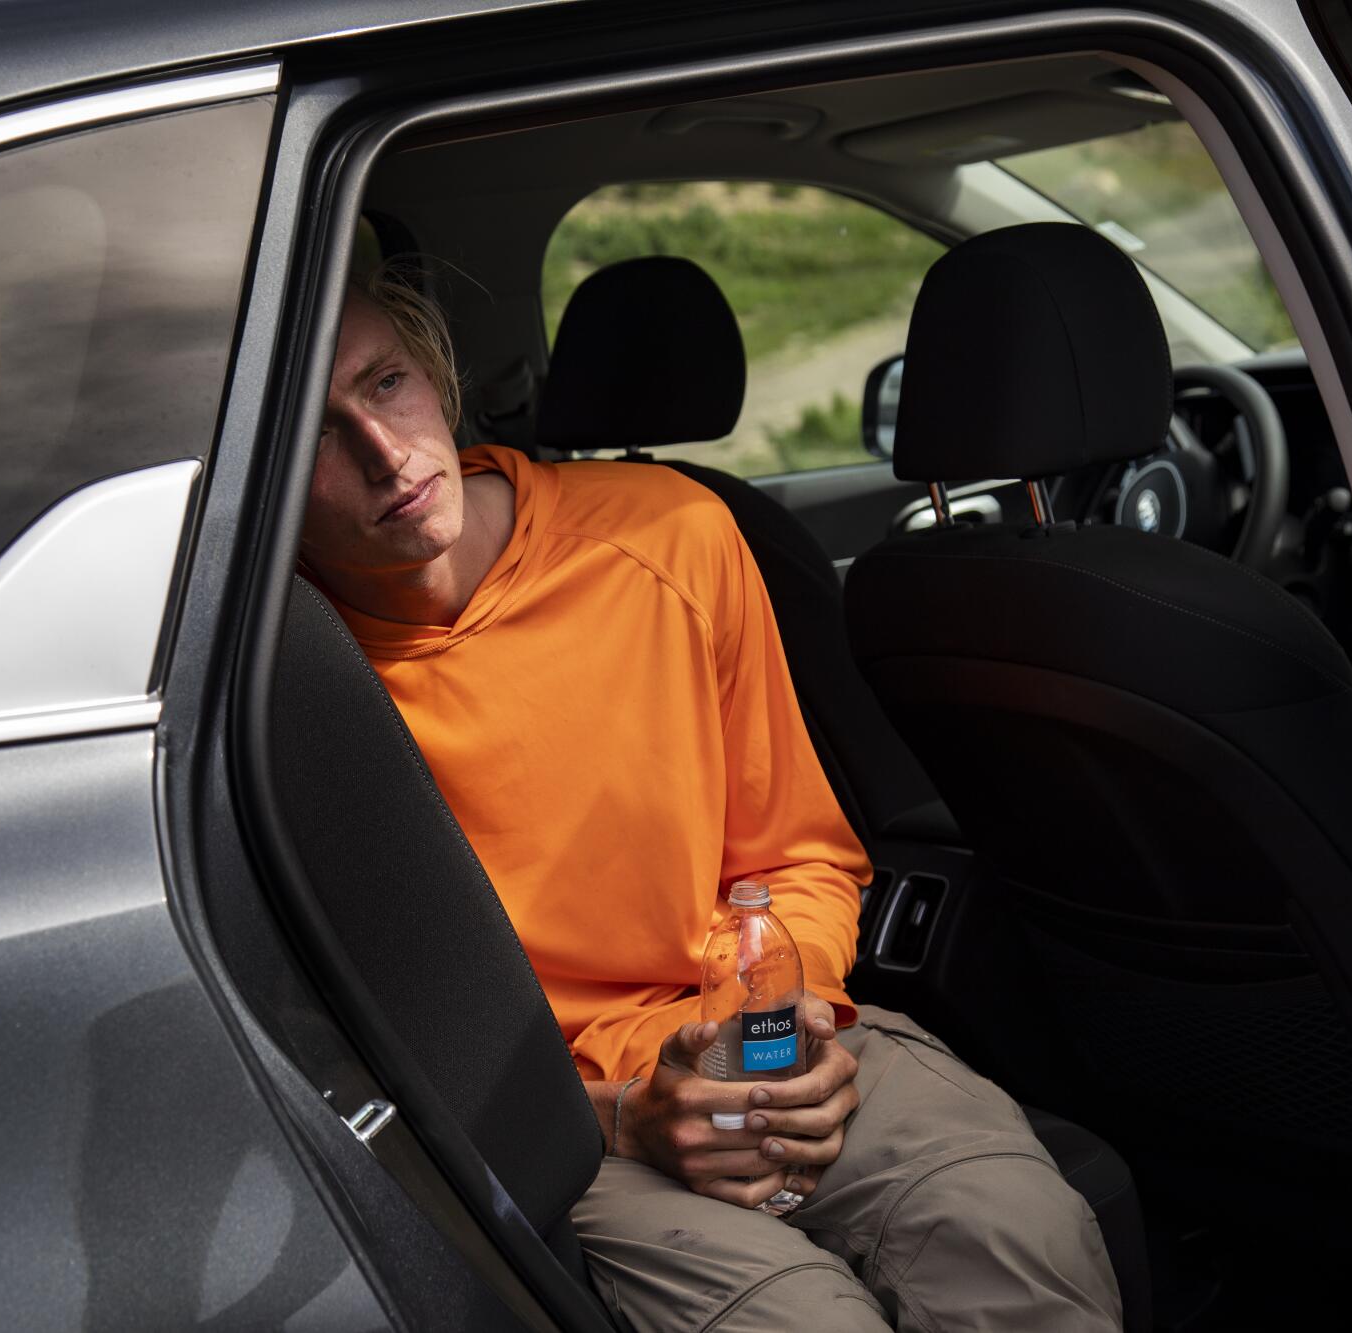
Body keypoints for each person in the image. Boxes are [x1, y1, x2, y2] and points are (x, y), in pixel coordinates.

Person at [299, 266, 1122, 1332]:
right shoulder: (279, 680)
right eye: (319, 432)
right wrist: (622, 1116)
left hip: (761, 1035)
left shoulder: (670, 536)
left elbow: (801, 859)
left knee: (1016, 1232)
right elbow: (330, 1045)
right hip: (542, 1118)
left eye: (387, 382)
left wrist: (772, 1034)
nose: (383, 450)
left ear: (439, 375)